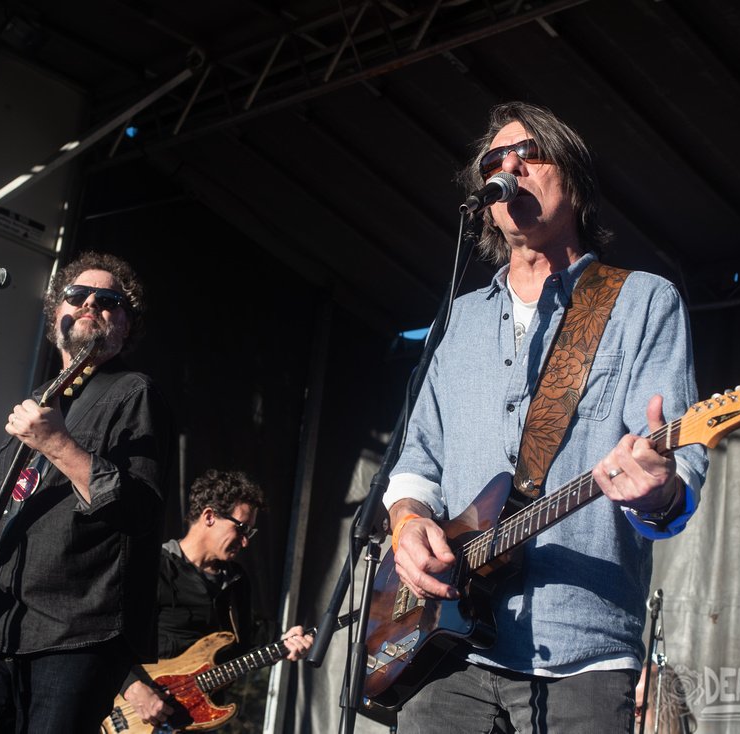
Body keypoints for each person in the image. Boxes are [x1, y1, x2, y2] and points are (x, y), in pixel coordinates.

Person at [383, 101, 709, 732]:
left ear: (576, 182)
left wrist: (658, 489)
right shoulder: (461, 318)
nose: (511, 167)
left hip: (583, 655)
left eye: (530, 154)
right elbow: (417, 458)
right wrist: (406, 524)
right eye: (494, 162)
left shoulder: (641, 300)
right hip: (444, 652)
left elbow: (678, 475)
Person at [0, 251, 178, 733]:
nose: (91, 305)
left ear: (126, 324)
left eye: (109, 301)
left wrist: (58, 444)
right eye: (77, 296)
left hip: (76, 634)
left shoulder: (133, 393)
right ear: (55, 314)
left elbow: (141, 509)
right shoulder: (37, 403)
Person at [122, 469, 313, 728]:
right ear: (209, 516)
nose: (246, 542)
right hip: (138, 716)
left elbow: (245, 645)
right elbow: (106, 634)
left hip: (199, 719)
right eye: (242, 528)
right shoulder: (156, 568)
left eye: (251, 533)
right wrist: (132, 687)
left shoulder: (236, 581)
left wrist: (283, 643)